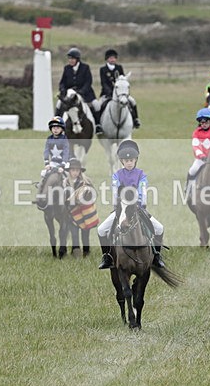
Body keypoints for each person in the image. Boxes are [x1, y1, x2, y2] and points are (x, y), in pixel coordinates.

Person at [97, 140, 165, 269]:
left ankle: (156, 256)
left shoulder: (141, 174)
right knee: (101, 230)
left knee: (159, 228)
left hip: (137, 207)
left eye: (131, 160)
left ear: (136, 160)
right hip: (121, 208)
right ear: (122, 161)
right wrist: (116, 205)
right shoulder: (117, 175)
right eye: (126, 161)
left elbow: (143, 190)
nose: (129, 163)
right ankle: (107, 256)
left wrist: (141, 203)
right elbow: (115, 191)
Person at [95, 49, 140, 132]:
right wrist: (110, 92)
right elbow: (103, 83)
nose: (113, 60)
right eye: (111, 58)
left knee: (133, 101)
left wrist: (122, 92)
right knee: (98, 105)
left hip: (121, 93)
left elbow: (123, 81)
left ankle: (135, 120)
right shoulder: (103, 69)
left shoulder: (119, 67)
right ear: (107, 59)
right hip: (107, 93)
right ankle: (98, 124)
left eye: (114, 58)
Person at [54, 48, 98, 132]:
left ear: (77, 59)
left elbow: (88, 82)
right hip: (70, 94)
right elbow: (62, 82)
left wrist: (81, 91)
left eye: (72, 59)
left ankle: (97, 125)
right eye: (69, 59)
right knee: (59, 104)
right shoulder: (67, 68)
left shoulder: (85, 67)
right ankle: (57, 124)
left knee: (96, 105)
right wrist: (62, 89)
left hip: (84, 93)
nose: (70, 60)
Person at [34, 116, 70, 209]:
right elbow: (46, 151)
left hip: (64, 163)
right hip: (53, 163)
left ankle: (68, 195)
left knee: (67, 177)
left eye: (57, 127)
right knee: (44, 175)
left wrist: (63, 165)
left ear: (62, 129)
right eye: (53, 127)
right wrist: (47, 163)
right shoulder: (49, 139)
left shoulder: (65, 139)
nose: (55, 129)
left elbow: (66, 152)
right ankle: (41, 195)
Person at [186, 108, 210, 200]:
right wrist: (202, 156)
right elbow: (196, 146)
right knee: (192, 170)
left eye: (205, 122)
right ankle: (189, 189)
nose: (203, 124)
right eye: (201, 122)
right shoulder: (196, 133)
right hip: (201, 159)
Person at [64, 157, 99, 239]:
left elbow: (94, 195)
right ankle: (76, 251)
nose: (75, 172)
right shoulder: (65, 183)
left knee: (85, 237)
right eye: (73, 170)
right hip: (72, 214)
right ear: (69, 171)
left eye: (77, 170)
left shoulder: (86, 182)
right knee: (74, 236)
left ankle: (86, 251)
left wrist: (86, 195)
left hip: (85, 214)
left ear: (80, 171)